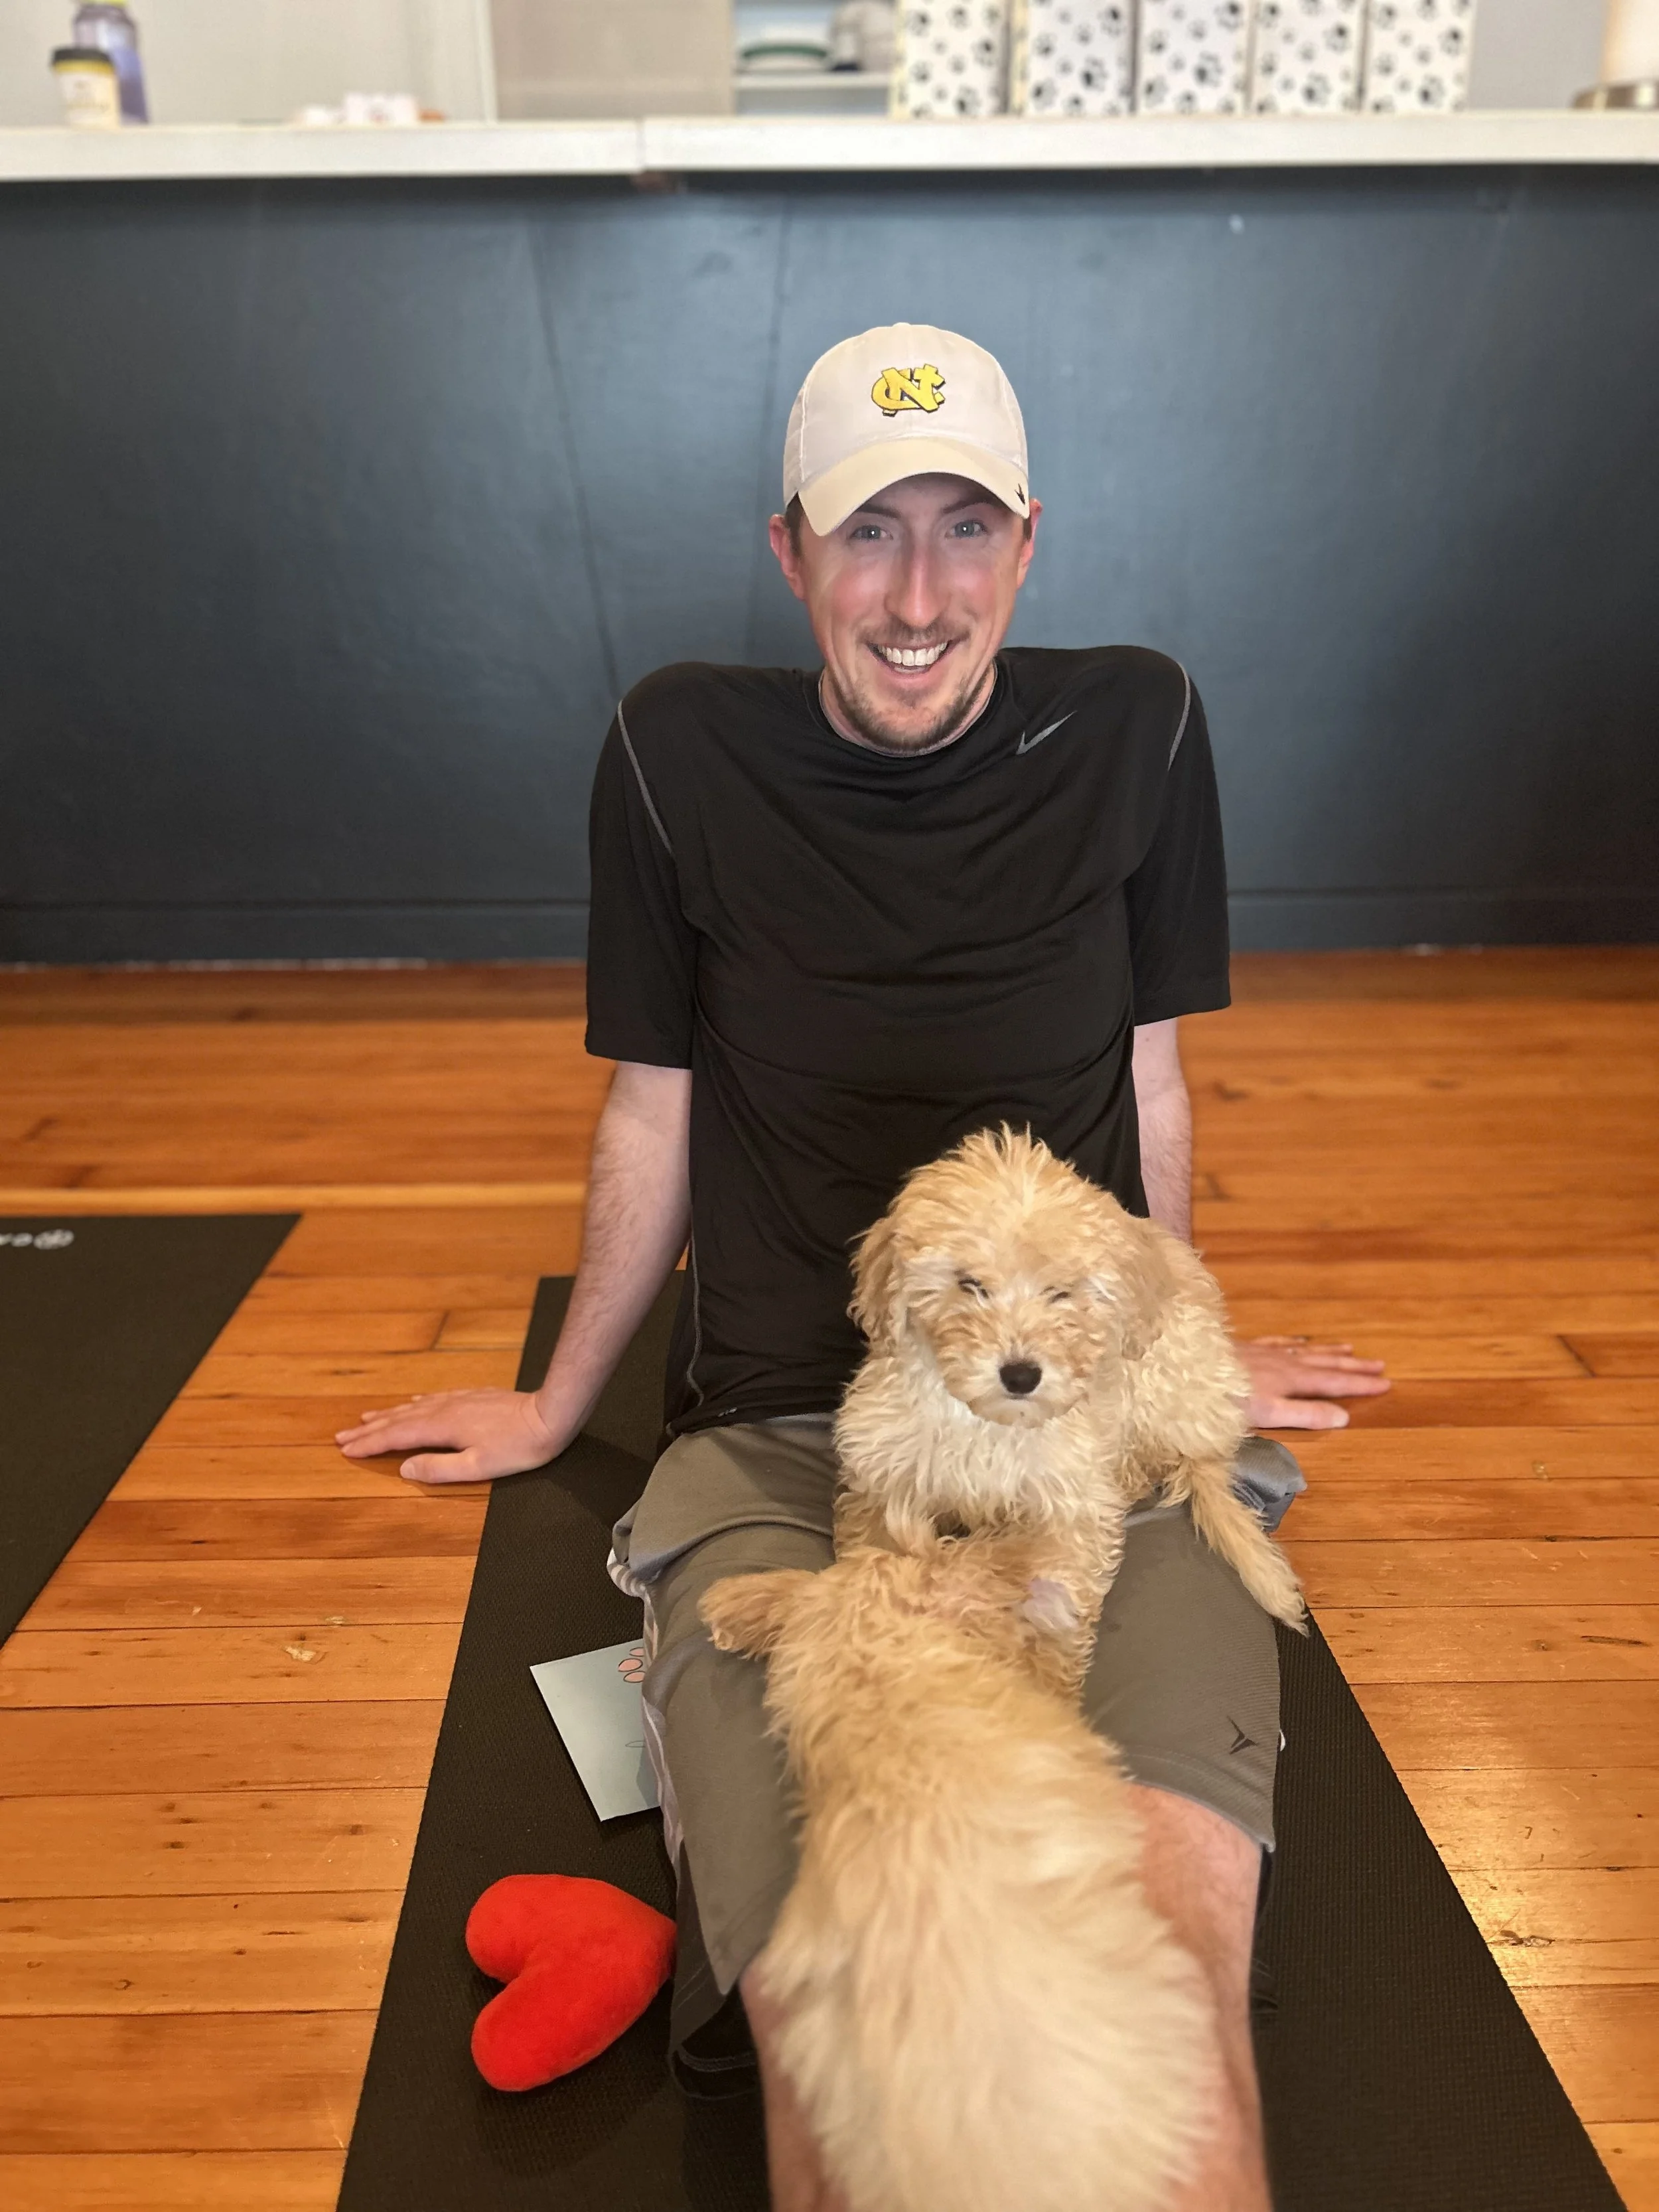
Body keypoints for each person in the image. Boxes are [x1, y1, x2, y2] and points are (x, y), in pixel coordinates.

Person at [338, 324, 1389, 2210]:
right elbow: (648, 1113)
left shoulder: (1135, 722)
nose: (918, 593)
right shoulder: (675, 747)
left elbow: (1150, 1079)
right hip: (788, 1442)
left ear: (1027, 545)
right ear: (789, 555)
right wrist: (559, 1397)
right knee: (872, 1962)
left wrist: (1179, 1353)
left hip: (1077, 1433)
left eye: (963, 529)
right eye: (867, 533)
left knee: (1152, 1956)